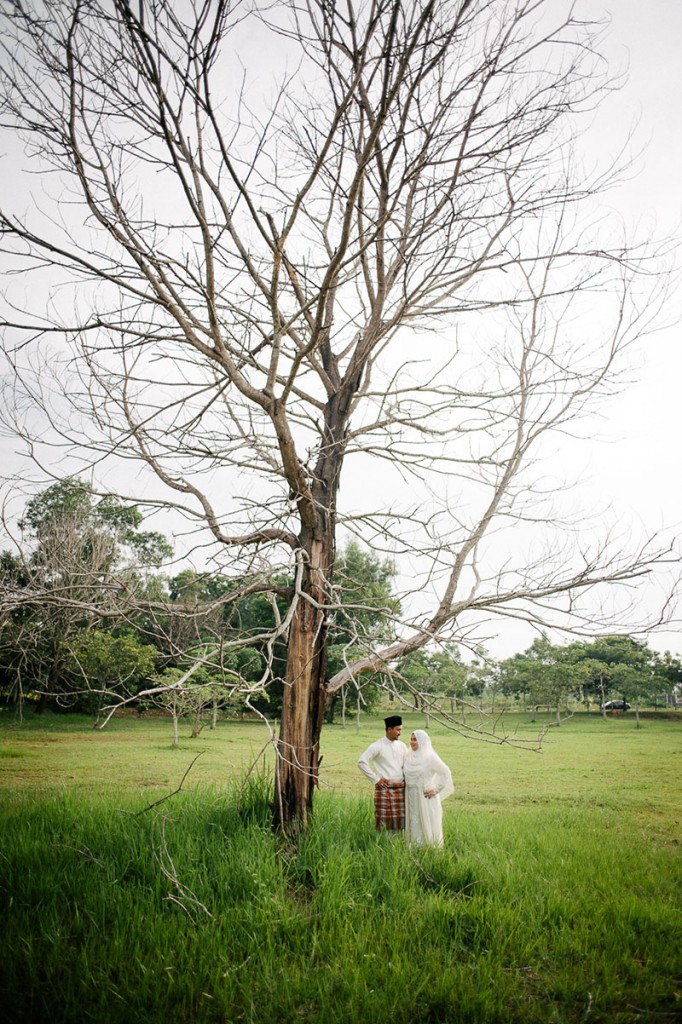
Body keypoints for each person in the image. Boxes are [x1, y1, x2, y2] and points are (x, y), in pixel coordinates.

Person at [403, 729, 453, 846]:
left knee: (426, 823)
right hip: (410, 796)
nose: (412, 742)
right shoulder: (408, 755)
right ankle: (414, 849)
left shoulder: (430, 757)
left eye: (415, 739)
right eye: (411, 739)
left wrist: (436, 790)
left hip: (425, 797)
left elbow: (446, 772)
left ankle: (429, 850)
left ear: (422, 741)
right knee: (413, 823)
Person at [357, 715, 407, 832]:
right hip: (385, 789)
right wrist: (376, 779)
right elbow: (361, 762)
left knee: (402, 824)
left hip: (401, 788)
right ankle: (382, 846)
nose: (400, 733)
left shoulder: (402, 745)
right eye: (398, 730)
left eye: (401, 730)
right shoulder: (377, 745)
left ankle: (399, 847)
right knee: (384, 825)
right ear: (389, 729)